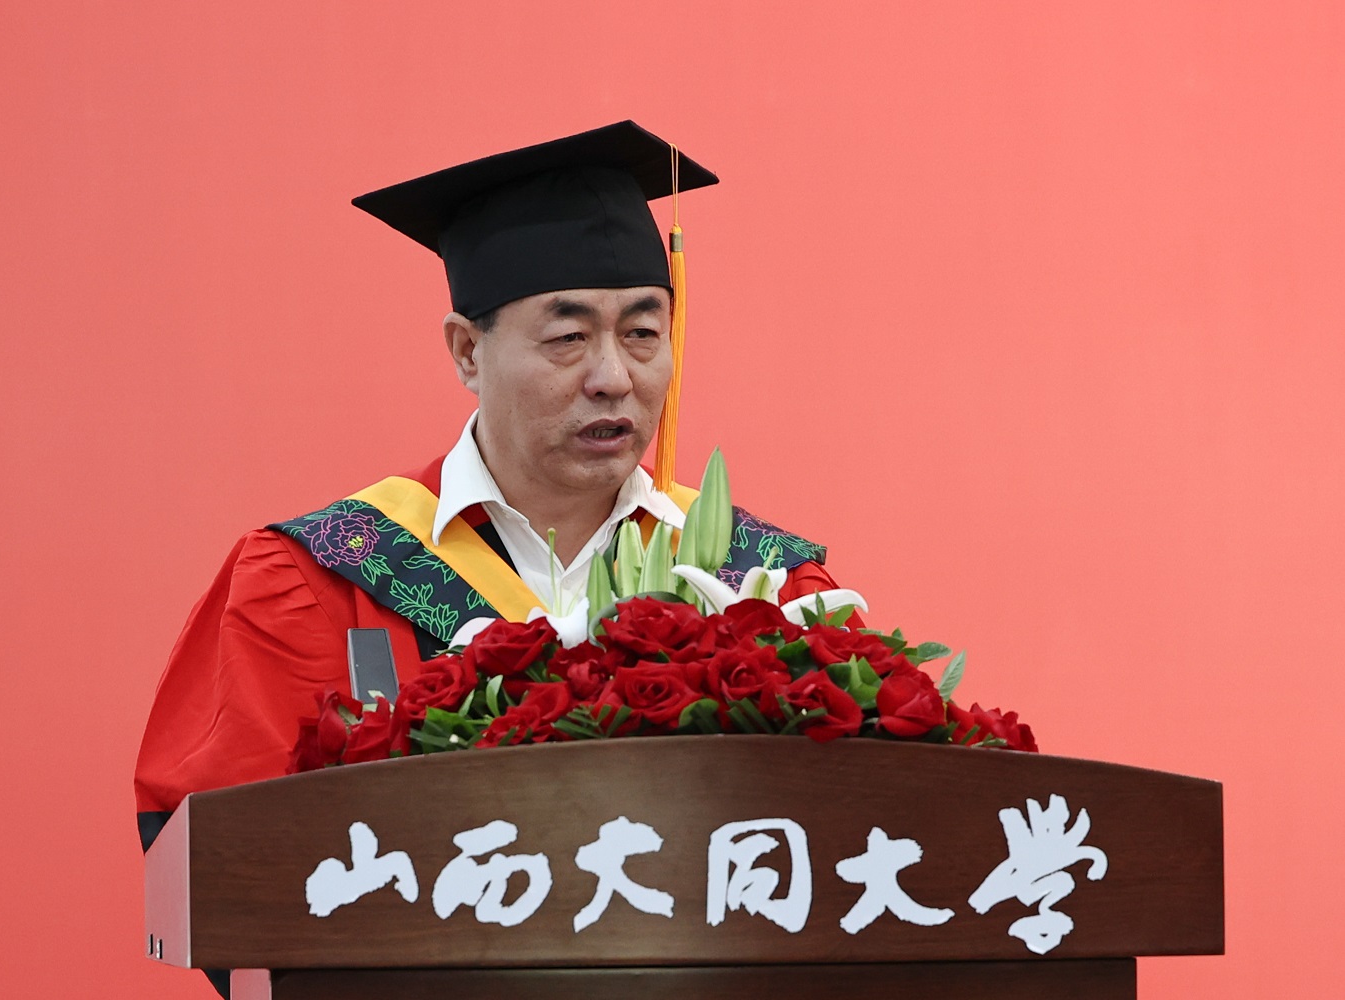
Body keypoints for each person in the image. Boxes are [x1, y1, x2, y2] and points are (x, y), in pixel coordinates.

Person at [134, 124, 847, 993]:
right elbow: (220, 857)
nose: (614, 376)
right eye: (567, 338)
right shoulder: (321, 578)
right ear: (468, 352)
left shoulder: (763, 584)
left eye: (643, 333)